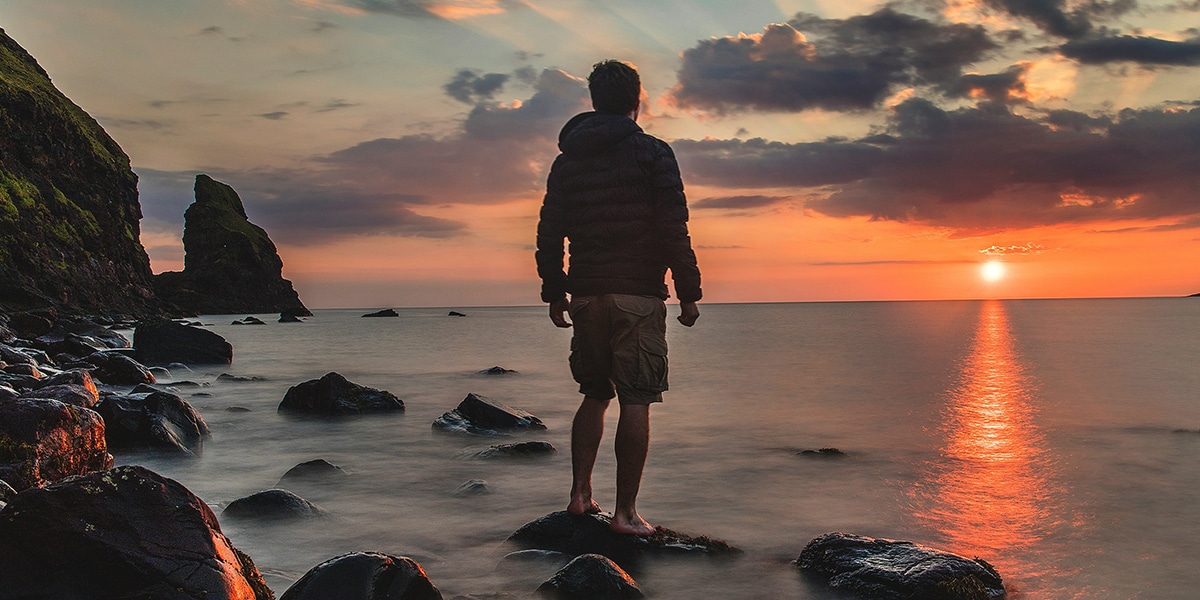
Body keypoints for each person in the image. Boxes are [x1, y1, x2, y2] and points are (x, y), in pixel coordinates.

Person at [535, 59, 702, 536]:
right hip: (637, 295)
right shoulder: (653, 153)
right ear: (637, 99)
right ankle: (625, 515)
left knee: (593, 394)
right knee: (636, 399)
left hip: (586, 295)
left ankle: (579, 496)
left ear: (593, 100)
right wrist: (688, 293)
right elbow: (674, 225)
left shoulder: (567, 162)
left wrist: (554, 290)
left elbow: (550, 231)